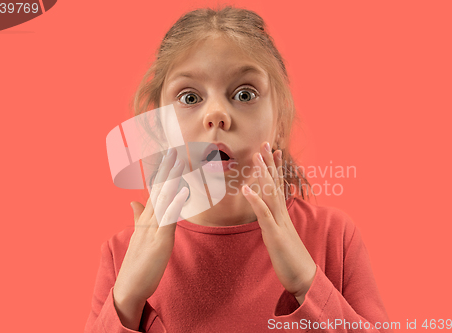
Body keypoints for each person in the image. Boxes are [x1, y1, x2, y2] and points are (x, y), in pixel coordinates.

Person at [85, 5, 392, 333]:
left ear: (279, 124)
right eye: (189, 98)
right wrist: (128, 297)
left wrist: (306, 281)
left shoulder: (335, 237)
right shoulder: (121, 254)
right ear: (159, 129)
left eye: (244, 94)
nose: (216, 115)